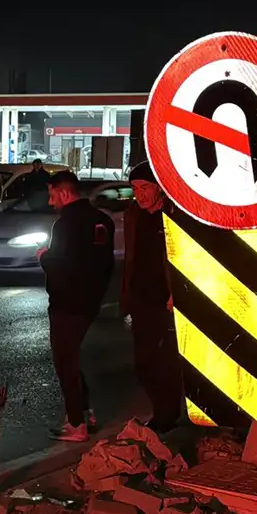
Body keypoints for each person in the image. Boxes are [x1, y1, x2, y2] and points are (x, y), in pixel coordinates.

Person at [39, 170, 116, 442]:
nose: (51, 202)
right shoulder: (103, 221)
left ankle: (76, 424)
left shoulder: (65, 225)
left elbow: (61, 265)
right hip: (90, 301)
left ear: (63, 193)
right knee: (70, 357)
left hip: (67, 303)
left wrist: (44, 257)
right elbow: (106, 264)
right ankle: (85, 412)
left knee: (65, 362)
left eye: (52, 195)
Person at [121, 163, 183, 432]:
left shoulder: (173, 214)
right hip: (141, 299)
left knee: (168, 361)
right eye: (135, 189)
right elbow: (131, 258)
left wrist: (176, 292)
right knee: (143, 363)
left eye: (145, 187)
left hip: (167, 301)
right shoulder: (133, 214)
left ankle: (168, 415)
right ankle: (162, 409)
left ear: (159, 187)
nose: (139, 194)